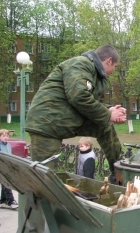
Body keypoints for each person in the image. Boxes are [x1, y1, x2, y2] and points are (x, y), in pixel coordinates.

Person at [25, 45, 127, 184]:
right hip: (47, 123)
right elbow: (78, 96)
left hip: (65, 119)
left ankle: (118, 174)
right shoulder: (80, 64)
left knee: (104, 126)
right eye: (115, 66)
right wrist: (108, 114)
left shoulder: (92, 73)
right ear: (109, 61)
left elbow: (88, 101)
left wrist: (109, 110)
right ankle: (38, 204)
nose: (113, 71)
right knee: (45, 178)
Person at [0, 129, 18, 210]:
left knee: (5, 184)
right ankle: (11, 201)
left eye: (7, 136)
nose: (6, 137)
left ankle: (3, 201)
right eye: (3, 136)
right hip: (1, 168)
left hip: (8, 167)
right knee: (7, 184)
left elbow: (10, 156)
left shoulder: (8, 145)